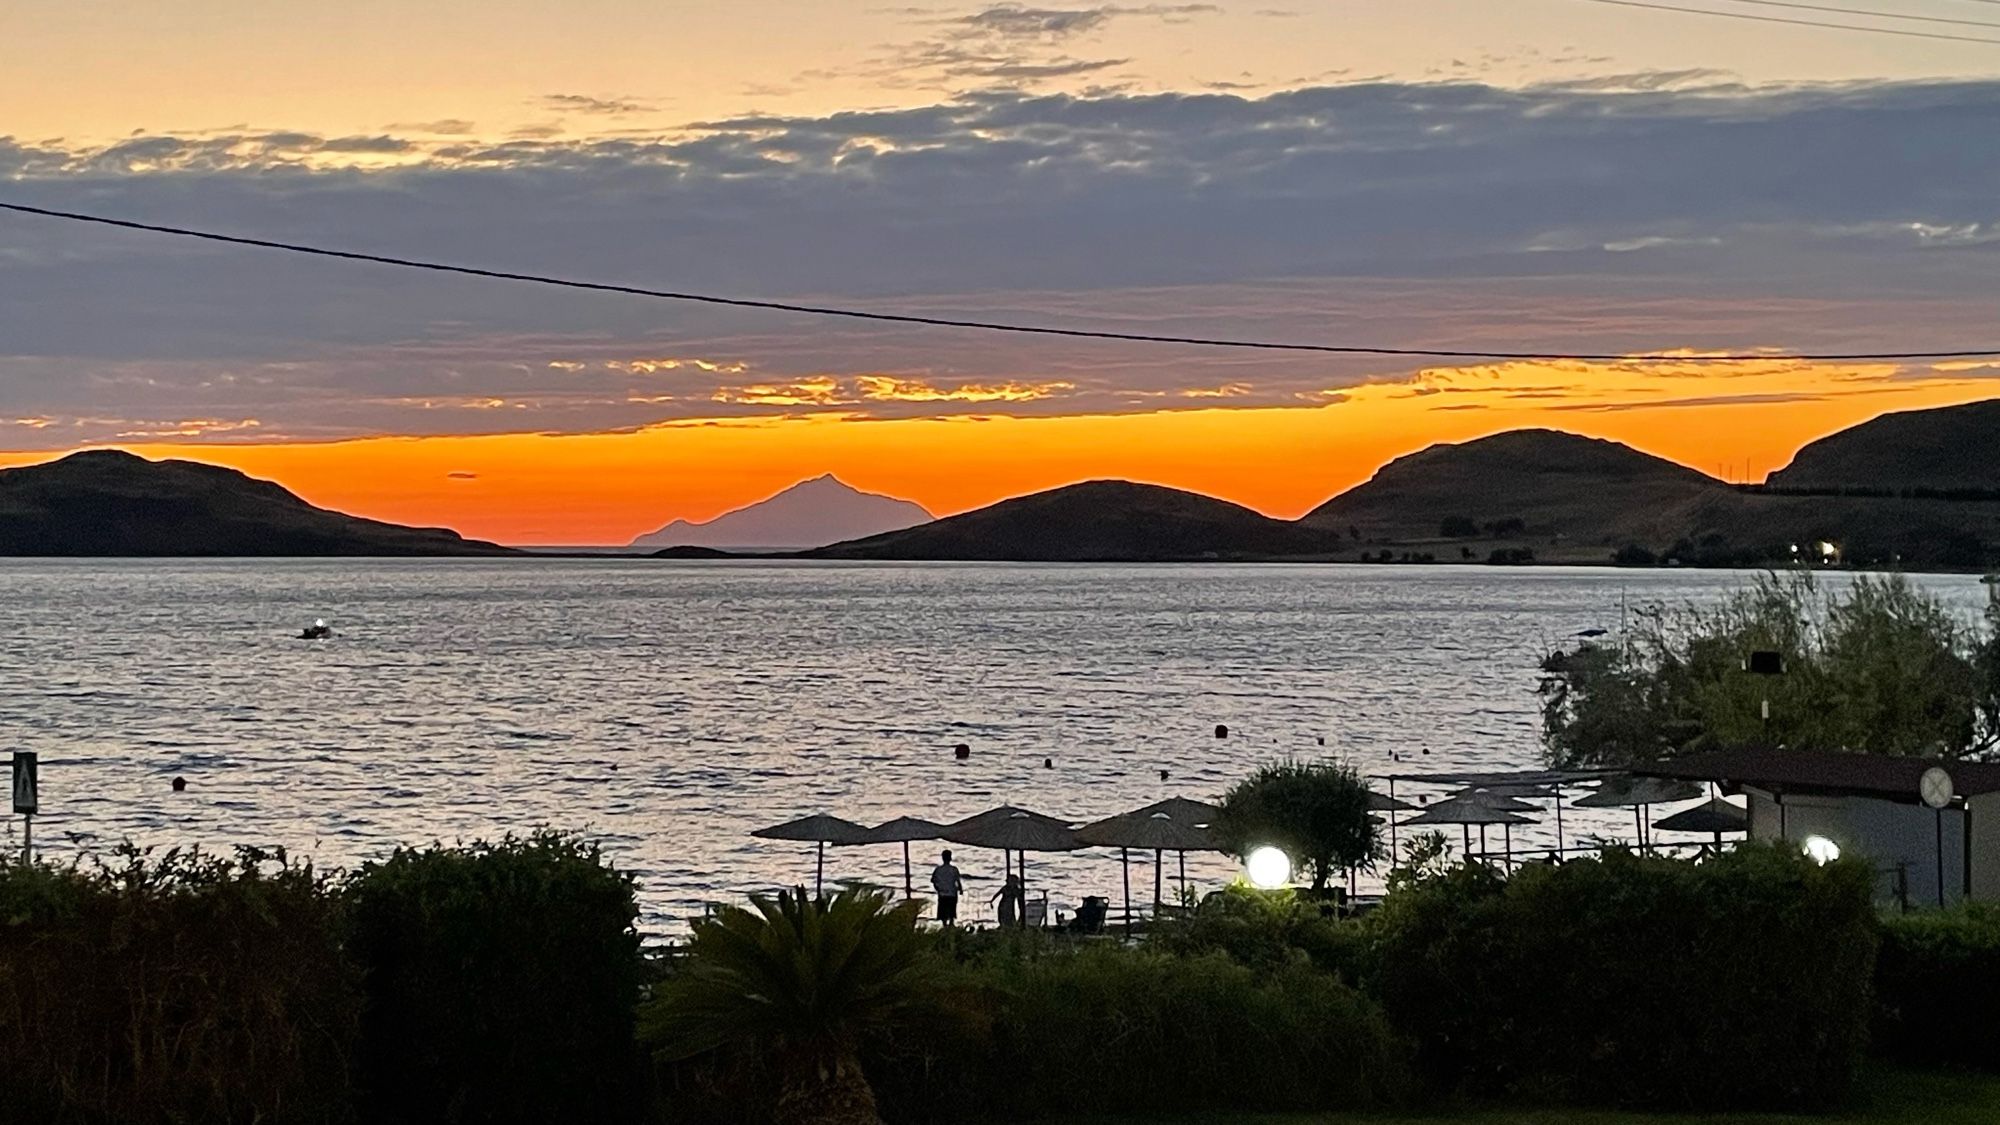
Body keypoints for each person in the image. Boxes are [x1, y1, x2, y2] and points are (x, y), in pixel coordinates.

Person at [930, 849, 965, 925]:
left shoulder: (938, 869)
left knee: (943, 914)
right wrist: (961, 890)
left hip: (942, 893)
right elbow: (958, 881)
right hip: (952, 893)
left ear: (942, 858)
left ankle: (945, 926)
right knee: (952, 913)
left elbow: (933, 880)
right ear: (950, 858)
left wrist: (937, 888)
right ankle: (951, 925)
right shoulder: (954, 869)